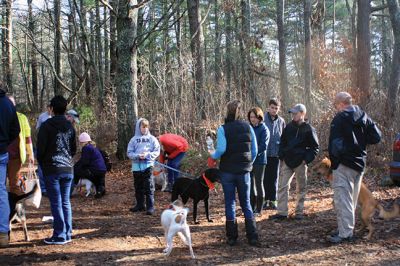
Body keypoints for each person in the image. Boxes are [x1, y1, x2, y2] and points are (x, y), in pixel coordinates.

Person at [327, 92, 381, 243]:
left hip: (344, 164)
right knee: (351, 199)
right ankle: (346, 228)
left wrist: (336, 162)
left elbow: (335, 145)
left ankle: (345, 234)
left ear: (341, 104)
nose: (336, 109)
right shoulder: (363, 115)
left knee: (343, 199)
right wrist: (360, 143)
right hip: (360, 165)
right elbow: (376, 137)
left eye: (336, 105)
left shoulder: (339, 119)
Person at [210, 100, 259, 247]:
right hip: (244, 171)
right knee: (246, 203)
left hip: (227, 172)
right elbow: (255, 150)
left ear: (227, 112)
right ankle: (252, 236)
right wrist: (249, 164)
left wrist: (212, 155)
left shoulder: (222, 129)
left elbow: (221, 150)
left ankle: (232, 237)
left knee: (230, 202)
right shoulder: (248, 127)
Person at [37, 95, 76, 245]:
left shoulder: (46, 126)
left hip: (52, 169)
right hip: (68, 168)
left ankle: (60, 235)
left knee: (56, 202)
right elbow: (73, 149)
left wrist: (43, 164)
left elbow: (40, 150)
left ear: (52, 109)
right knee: (65, 201)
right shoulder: (69, 126)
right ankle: (67, 232)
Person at [269, 103, 319, 221]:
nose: (293, 116)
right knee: (282, 186)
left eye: (295, 113)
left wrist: (305, 160)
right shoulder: (289, 127)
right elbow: (282, 142)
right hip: (287, 161)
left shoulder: (309, 129)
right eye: (292, 113)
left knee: (301, 188)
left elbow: (315, 148)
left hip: (300, 163)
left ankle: (299, 212)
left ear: (302, 114)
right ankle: (282, 212)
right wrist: (282, 156)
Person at [0, 86, 20, 248]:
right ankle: (3, 234)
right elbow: (16, 130)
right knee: (1, 192)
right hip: (2, 153)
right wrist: (5, 142)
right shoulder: (8, 104)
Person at [127, 118, 160, 215]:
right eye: (143, 127)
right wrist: (137, 156)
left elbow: (157, 151)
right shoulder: (133, 140)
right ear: (139, 127)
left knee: (149, 186)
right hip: (136, 167)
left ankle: (150, 207)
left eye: (146, 127)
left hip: (148, 166)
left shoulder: (152, 139)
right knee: (138, 186)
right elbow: (129, 153)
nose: (145, 129)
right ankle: (140, 205)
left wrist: (148, 155)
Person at [7, 96, 34, 195]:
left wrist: (31, 154)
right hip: (2, 155)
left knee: (14, 184)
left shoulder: (22, 118)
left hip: (15, 156)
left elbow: (28, 138)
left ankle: (17, 207)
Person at [263, 99, 286, 210]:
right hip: (263, 154)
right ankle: (264, 200)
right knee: (264, 178)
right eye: (272, 107)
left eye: (276, 108)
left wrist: (283, 152)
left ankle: (273, 200)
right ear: (268, 107)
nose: (274, 110)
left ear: (279, 109)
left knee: (274, 178)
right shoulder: (262, 119)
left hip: (276, 154)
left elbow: (284, 137)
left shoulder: (281, 121)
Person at [247, 107, 270, 215]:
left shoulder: (264, 129)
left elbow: (263, 146)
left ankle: (259, 209)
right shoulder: (248, 128)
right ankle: (251, 207)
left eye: (255, 117)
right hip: (248, 160)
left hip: (260, 160)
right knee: (250, 184)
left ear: (259, 117)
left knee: (258, 183)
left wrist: (253, 155)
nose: (253, 119)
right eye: (251, 117)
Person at [73, 132, 107, 198]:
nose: (80, 144)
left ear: (82, 142)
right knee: (99, 183)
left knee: (77, 171)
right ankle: (100, 190)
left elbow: (85, 162)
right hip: (102, 169)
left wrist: (75, 167)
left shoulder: (86, 148)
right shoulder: (93, 147)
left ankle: (73, 187)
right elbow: (83, 160)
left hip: (95, 170)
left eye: (80, 142)